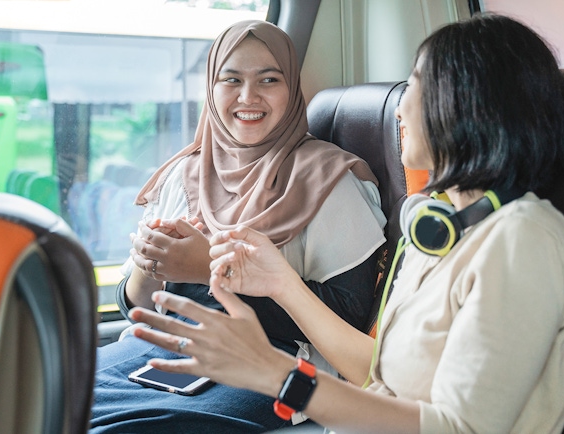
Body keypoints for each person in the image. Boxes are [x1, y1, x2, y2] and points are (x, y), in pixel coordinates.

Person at [128, 14, 564, 433]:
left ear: (467, 104)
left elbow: (459, 428)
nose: (401, 108)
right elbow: (378, 372)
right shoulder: (447, 228)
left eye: (416, 88)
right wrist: (280, 282)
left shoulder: (523, 241)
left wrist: (274, 372)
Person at [90, 20, 387, 433]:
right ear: (211, 88)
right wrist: (148, 264)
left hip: (276, 362)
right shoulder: (183, 174)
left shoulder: (330, 180)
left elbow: (349, 316)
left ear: (292, 88)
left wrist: (208, 273)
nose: (249, 97)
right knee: (50, 400)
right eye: (231, 80)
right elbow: (137, 309)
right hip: (169, 346)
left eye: (269, 79)